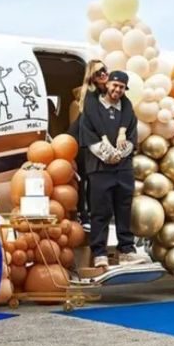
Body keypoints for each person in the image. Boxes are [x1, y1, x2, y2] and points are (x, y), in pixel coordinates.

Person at [79, 70, 147, 268]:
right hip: (99, 168)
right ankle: (99, 252)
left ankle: (126, 250)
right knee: (101, 211)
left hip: (123, 169)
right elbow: (88, 135)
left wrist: (120, 153)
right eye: (114, 85)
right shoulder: (92, 109)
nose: (117, 90)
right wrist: (107, 154)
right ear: (107, 84)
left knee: (124, 209)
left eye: (121, 87)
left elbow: (132, 138)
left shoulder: (127, 112)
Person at [68, 60, 110, 229]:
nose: (103, 74)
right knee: (85, 177)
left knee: (92, 178)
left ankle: (90, 214)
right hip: (82, 139)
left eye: (105, 71)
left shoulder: (104, 92)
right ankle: (83, 214)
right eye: (99, 72)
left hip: (92, 138)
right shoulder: (90, 94)